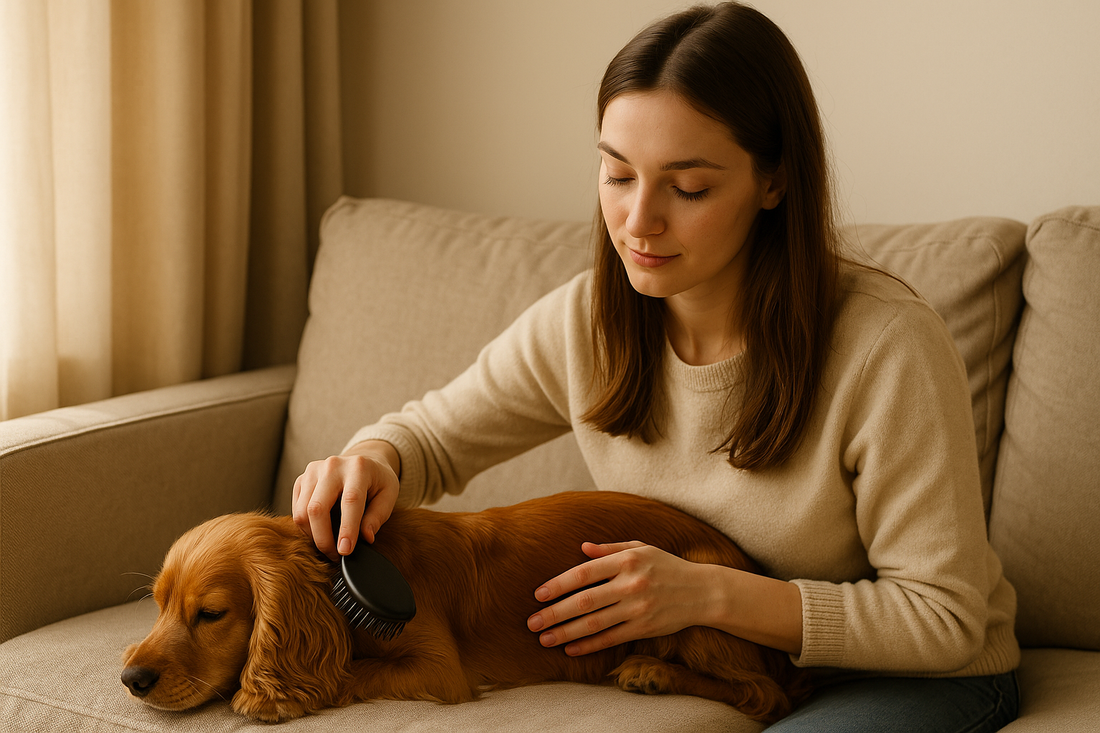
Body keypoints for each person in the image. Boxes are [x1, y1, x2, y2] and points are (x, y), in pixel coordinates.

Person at [292, 3, 1020, 730]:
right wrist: (371, 460)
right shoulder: (588, 322)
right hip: (710, 663)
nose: (638, 220)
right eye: (616, 174)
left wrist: (706, 594)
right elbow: (431, 438)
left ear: (774, 182)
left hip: (908, 676)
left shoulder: (886, 347)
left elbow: (943, 616)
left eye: (689, 187)